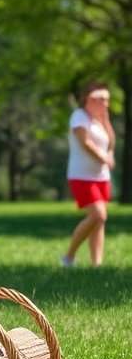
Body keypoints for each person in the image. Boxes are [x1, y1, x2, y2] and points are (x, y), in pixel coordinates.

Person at [61, 81, 115, 267]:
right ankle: (68, 257)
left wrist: (105, 120)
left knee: (99, 221)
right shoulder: (79, 117)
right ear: (88, 99)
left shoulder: (98, 120)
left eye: (107, 99)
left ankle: (96, 264)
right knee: (99, 215)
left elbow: (110, 142)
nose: (105, 103)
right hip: (81, 175)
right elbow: (85, 142)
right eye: (101, 99)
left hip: (101, 176)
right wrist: (103, 158)